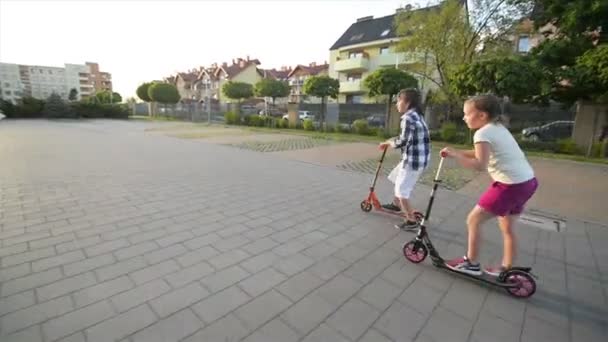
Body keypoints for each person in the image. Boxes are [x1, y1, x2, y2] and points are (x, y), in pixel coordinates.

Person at [441, 94, 538, 276]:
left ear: (482, 115)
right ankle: (506, 269)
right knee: (507, 228)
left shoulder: (482, 133)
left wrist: (456, 156)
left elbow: (480, 165)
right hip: (527, 183)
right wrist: (456, 151)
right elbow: (481, 152)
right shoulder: (497, 127)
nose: (463, 117)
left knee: (473, 219)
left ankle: (471, 263)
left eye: (467, 114)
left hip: (509, 186)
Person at [379, 88, 431, 230]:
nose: (397, 104)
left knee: (402, 191)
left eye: (399, 100)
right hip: (419, 158)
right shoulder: (418, 115)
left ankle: (411, 220)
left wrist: (389, 143)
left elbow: (402, 141)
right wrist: (390, 141)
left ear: (407, 102)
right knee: (395, 176)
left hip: (413, 161)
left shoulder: (407, 118)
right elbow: (409, 138)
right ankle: (396, 205)